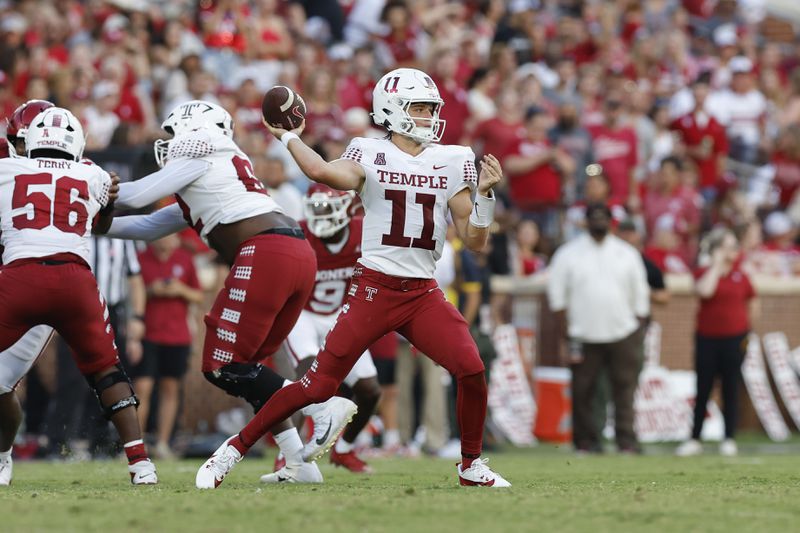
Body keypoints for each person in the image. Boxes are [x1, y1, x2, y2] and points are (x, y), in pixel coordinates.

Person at [196, 67, 511, 489]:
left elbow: (473, 240)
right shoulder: (368, 151)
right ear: (392, 110)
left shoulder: (452, 159)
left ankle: (470, 466)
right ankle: (232, 450)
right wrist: (289, 137)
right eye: (419, 108)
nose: (428, 117)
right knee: (317, 385)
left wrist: (485, 197)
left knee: (471, 368)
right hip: (375, 288)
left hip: (422, 293)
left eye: (431, 108)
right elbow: (325, 173)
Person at [104, 100, 356, 485]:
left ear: (191, 129)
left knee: (222, 365)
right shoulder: (214, 170)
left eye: (172, 134)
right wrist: (90, 226)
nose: (167, 143)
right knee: (250, 371)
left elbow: (136, 196)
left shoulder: (202, 150)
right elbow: (150, 224)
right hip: (294, 253)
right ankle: (298, 463)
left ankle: (318, 406)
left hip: (267, 251)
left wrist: (85, 188)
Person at [0, 107, 157, 484]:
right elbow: (99, 224)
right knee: (107, 371)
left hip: (20, 277)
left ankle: (5, 456)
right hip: (75, 279)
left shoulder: (5, 170)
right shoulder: (94, 174)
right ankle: (140, 465)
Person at [279, 183, 382, 475]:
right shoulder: (299, 233)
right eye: (315, 209)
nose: (320, 216)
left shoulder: (366, 232)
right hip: (305, 315)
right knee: (307, 384)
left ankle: (344, 450)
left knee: (370, 391)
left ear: (346, 209)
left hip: (342, 314)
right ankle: (289, 456)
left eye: (326, 208)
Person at [547, 203, 650, 454]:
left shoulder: (627, 254)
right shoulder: (567, 254)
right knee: (583, 391)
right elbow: (557, 298)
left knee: (624, 389)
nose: (599, 222)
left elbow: (641, 297)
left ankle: (626, 440)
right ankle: (585, 441)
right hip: (582, 333)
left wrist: (638, 330)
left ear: (612, 221)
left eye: (604, 217)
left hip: (623, 332)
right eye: (595, 217)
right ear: (585, 221)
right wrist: (566, 334)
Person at [676, 228, 758, 457]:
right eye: (729, 246)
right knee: (703, 388)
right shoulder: (704, 271)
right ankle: (695, 438)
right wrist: (716, 264)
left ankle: (729, 437)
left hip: (735, 338)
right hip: (707, 339)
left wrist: (747, 330)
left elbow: (752, 302)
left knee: (731, 388)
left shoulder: (742, 275)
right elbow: (705, 291)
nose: (734, 251)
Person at [133, 233, 203, 459]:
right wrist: (151, 290)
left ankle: (163, 443)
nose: (164, 239)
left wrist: (180, 290)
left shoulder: (185, 258)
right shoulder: (140, 258)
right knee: (142, 388)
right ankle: (136, 443)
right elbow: (132, 292)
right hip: (148, 333)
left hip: (177, 336)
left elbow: (198, 295)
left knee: (170, 389)